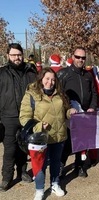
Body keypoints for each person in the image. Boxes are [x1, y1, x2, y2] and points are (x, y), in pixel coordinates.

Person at [19, 67, 76, 200]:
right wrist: (39, 126)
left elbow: (65, 111)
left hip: (58, 136)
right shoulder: (31, 94)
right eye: (47, 79)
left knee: (56, 162)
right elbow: (24, 117)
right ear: (41, 79)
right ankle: (39, 189)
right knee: (40, 165)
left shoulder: (60, 93)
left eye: (52, 79)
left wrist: (70, 112)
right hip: (40, 138)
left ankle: (55, 184)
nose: (50, 82)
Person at [0, 43, 37, 191]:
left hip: (27, 116)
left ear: (23, 55)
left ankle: (22, 172)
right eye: (14, 55)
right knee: (9, 149)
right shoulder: (2, 73)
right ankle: (6, 177)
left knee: (24, 146)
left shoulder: (30, 72)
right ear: (8, 56)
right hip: (8, 116)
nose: (17, 57)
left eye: (19, 55)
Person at [57, 46, 97, 177]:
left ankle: (79, 166)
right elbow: (58, 94)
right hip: (70, 115)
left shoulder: (88, 75)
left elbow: (94, 93)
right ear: (73, 57)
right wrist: (68, 108)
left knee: (82, 142)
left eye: (83, 57)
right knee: (68, 143)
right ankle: (60, 166)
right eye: (78, 57)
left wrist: (92, 107)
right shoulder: (64, 74)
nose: (80, 60)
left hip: (85, 115)